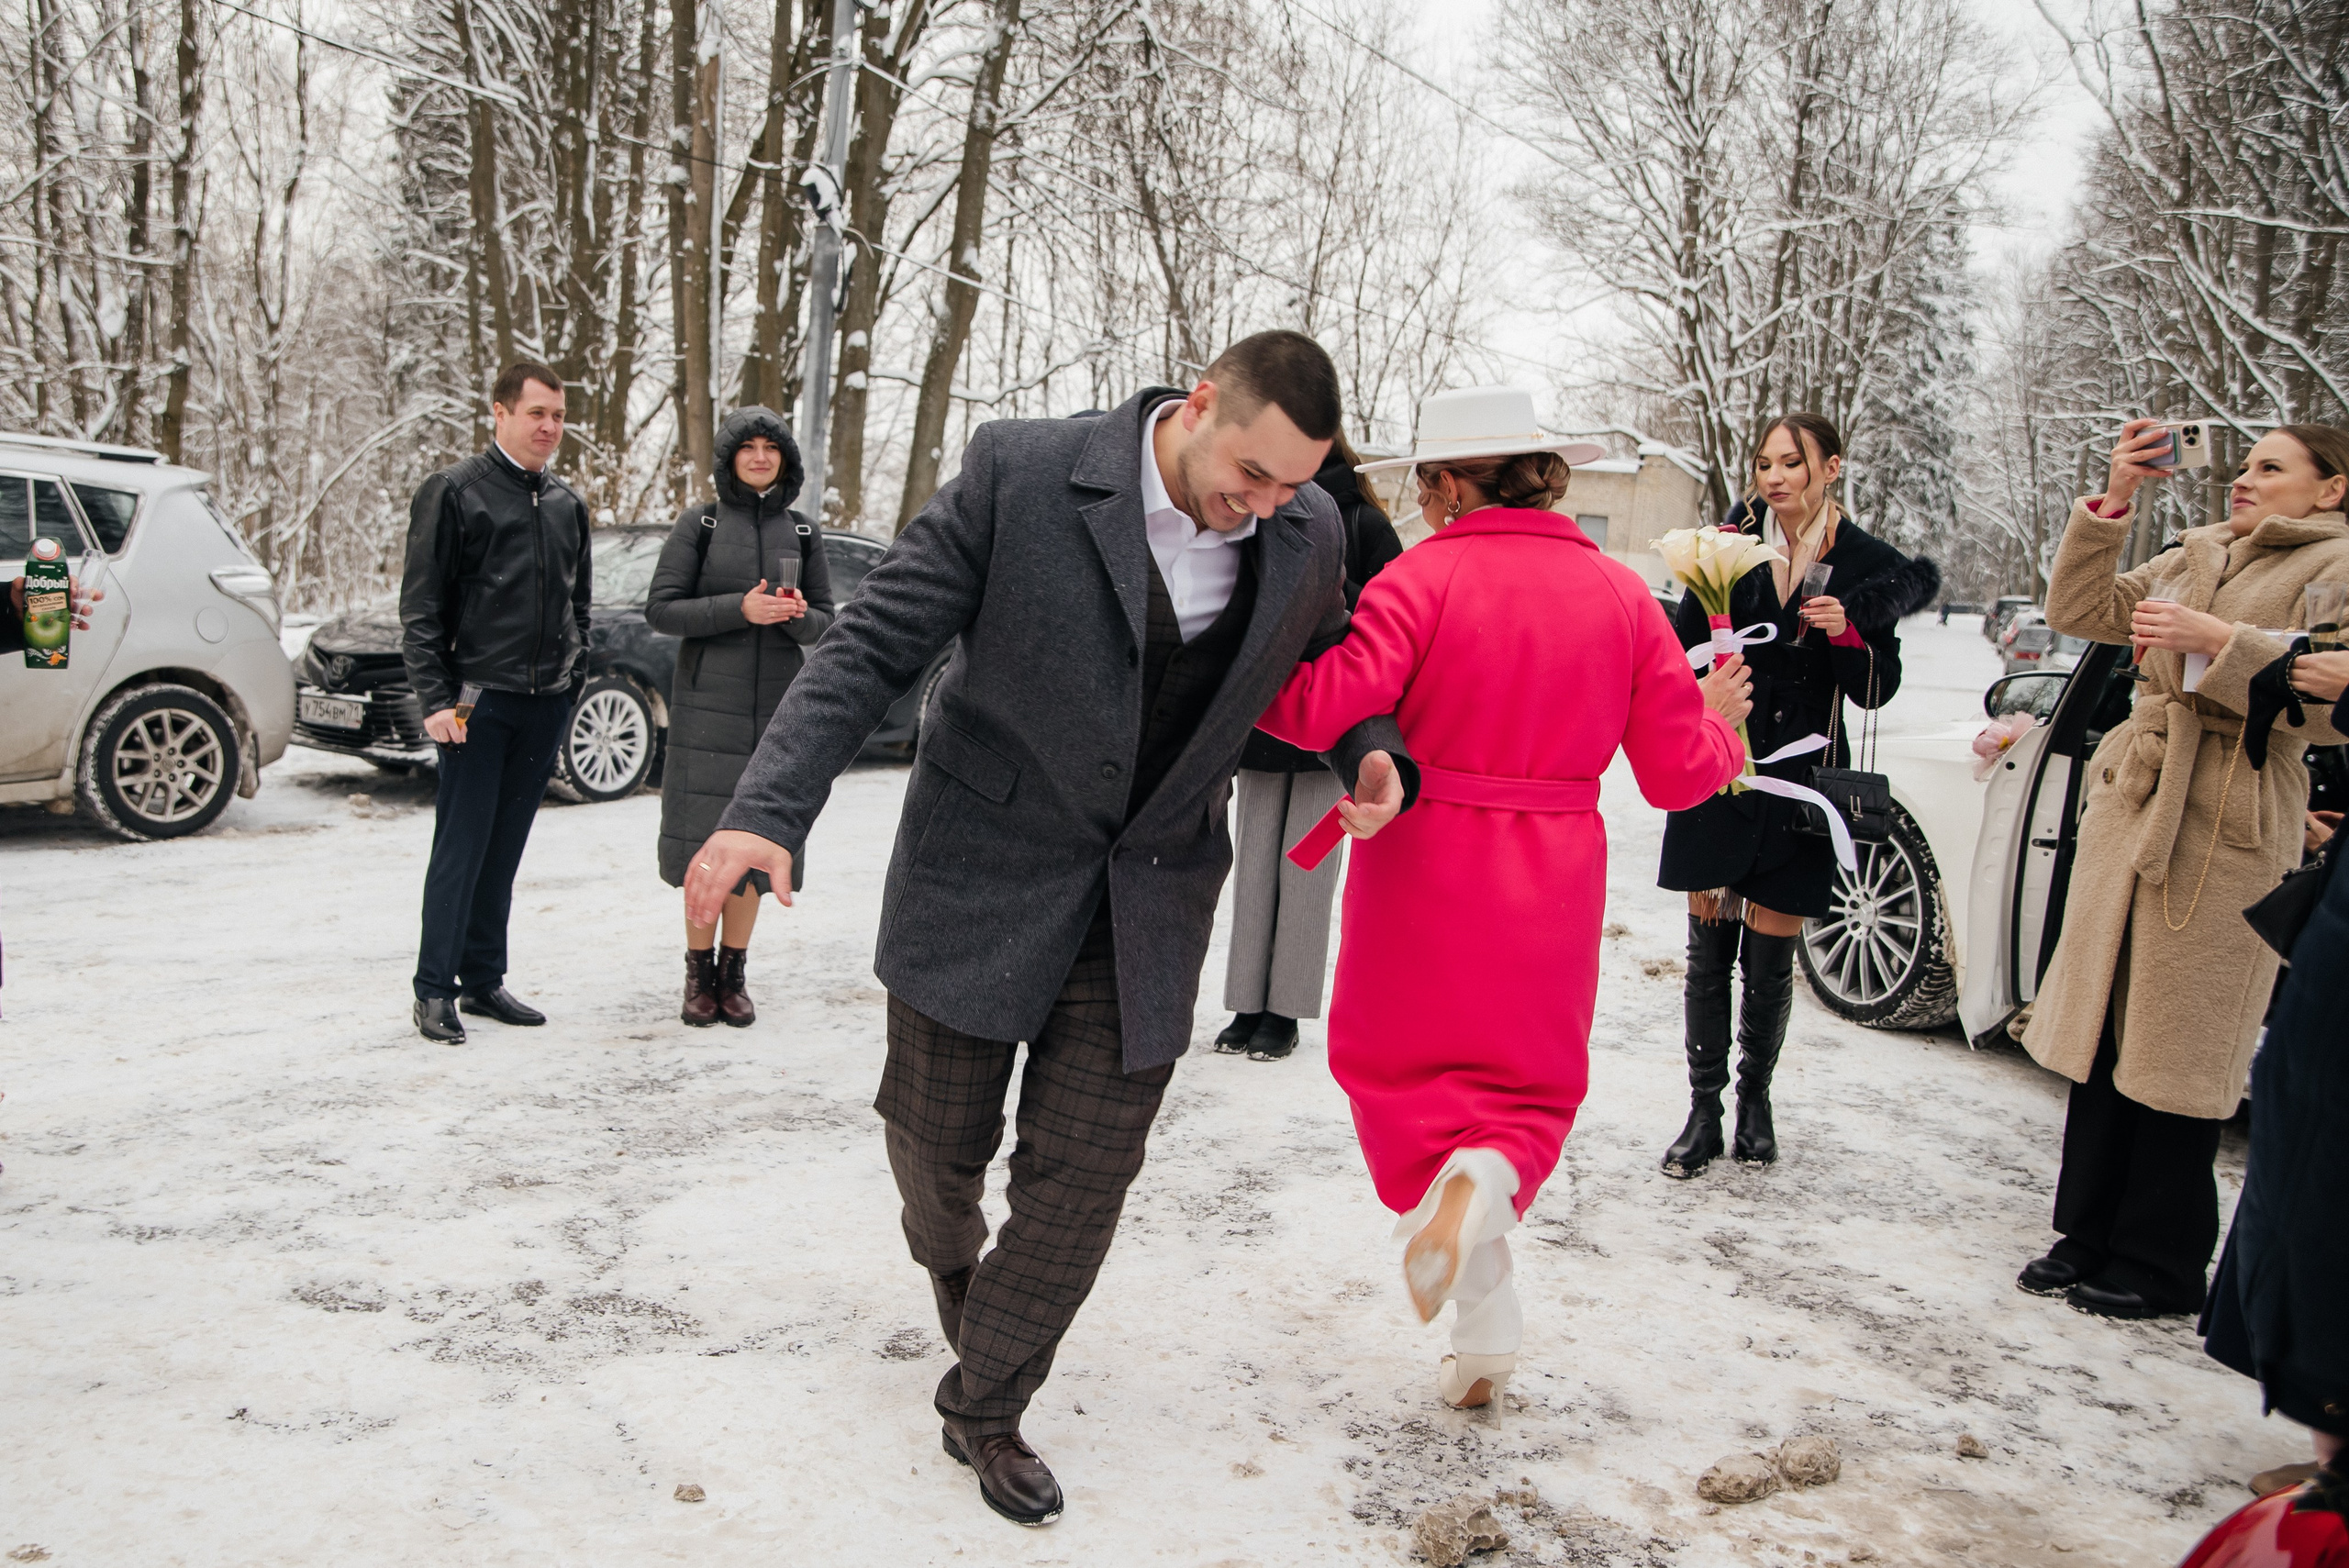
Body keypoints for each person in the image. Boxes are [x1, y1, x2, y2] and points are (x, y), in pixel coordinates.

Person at [682, 331, 1415, 1527]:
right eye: (1253, 472)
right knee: (935, 1154)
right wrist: (767, 809)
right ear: (1199, 404)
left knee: (1081, 1182)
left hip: (1151, 898)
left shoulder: (1307, 530)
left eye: (1296, 484)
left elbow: (1328, 653)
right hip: (980, 874)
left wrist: (1369, 747)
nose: (1268, 504)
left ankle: (987, 1401)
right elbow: (872, 645)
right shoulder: (1024, 474)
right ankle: (965, 1272)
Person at [1252, 384, 1750, 1410]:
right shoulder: (1620, 593)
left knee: (1402, 1077)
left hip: (1420, 864)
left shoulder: (1420, 578)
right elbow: (1675, 776)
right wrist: (1720, 724)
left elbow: (1316, 705)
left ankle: (1476, 1288)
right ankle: (1484, 1335)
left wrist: (1250, 643)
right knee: (1517, 1097)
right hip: (1554, 876)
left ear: (1443, 483)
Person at [2017, 421, 2349, 1320]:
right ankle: (2085, 1229)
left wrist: (2225, 640)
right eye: (2241, 465)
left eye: (2270, 468)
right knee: (2104, 1023)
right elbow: (2081, 609)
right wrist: (2115, 499)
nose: (2244, 479)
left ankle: (2160, 1260)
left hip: (2225, 814)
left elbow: (2330, 708)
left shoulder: (2335, 568)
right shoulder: (2194, 549)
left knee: (2181, 1040)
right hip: (2135, 802)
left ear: (2330, 489)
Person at [1654, 415, 1939, 1177]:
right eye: (1764, 462)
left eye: (1792, 462)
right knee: (1708, 951)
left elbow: (1877, 690)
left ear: (1832, 467)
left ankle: (1755, 1100)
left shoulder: (1868, 566)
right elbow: (1675, 656)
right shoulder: (1725, 544)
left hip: (1801, 783)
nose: (1774, 477)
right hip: (1721, 769)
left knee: (1771, 960)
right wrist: (1706, 687)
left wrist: (1849, 634)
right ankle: (1702, 1109)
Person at [399, 361, 593, 1045]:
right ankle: (434, 989)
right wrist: (434, 696)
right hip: (473, 704)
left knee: (505, 848)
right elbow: (421, 607)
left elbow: (579, 603)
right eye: (536, 412)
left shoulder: (568, 504)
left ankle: (483, 979)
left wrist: (574, 671)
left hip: (543, 701)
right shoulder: (456, 493)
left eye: (559, 416)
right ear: (500, 413)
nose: (549, 427)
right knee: (461, 846)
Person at [1215, 429, 1405, 1062]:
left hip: (1337, 719)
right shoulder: (1260, 510)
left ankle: (1285, 1010)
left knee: (1306, 871)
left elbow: (1386, 627)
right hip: (1270, 720)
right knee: (1257, 867)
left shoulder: (1366, 523)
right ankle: (1246, 1000)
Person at [643, 408, 834, 1027]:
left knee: (756, 846)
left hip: (774, 713)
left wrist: (798, 616)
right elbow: (662, 609)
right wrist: (738, 609)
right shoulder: (698, 523)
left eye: (769, 447)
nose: (758, 456)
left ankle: (734, 973)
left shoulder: (803, 532)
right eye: (747, 447)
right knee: (706, 845)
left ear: (784, 459)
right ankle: (698, 975)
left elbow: (830, 623)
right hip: (706, 712)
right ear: (730, 460)